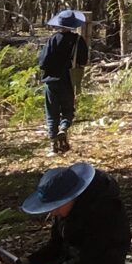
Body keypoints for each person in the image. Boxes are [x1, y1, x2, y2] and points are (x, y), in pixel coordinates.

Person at [3, 161, 130, 264]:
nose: (53, 212)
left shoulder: (103, 212)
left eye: (56, 206)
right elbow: (56, 245)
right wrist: (28, 261)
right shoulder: (66, 211)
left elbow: (88, 261)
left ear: (73, 196)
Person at [37, 9, 89, 155]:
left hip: (51, 81)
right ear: (73, 25)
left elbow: (42, 62)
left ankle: (54, 145)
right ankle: (64, 127)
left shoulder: (52, 40)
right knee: (68, 109)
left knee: (51, 113)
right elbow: (83, 61)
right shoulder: (78, 40)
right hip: (69, 80)